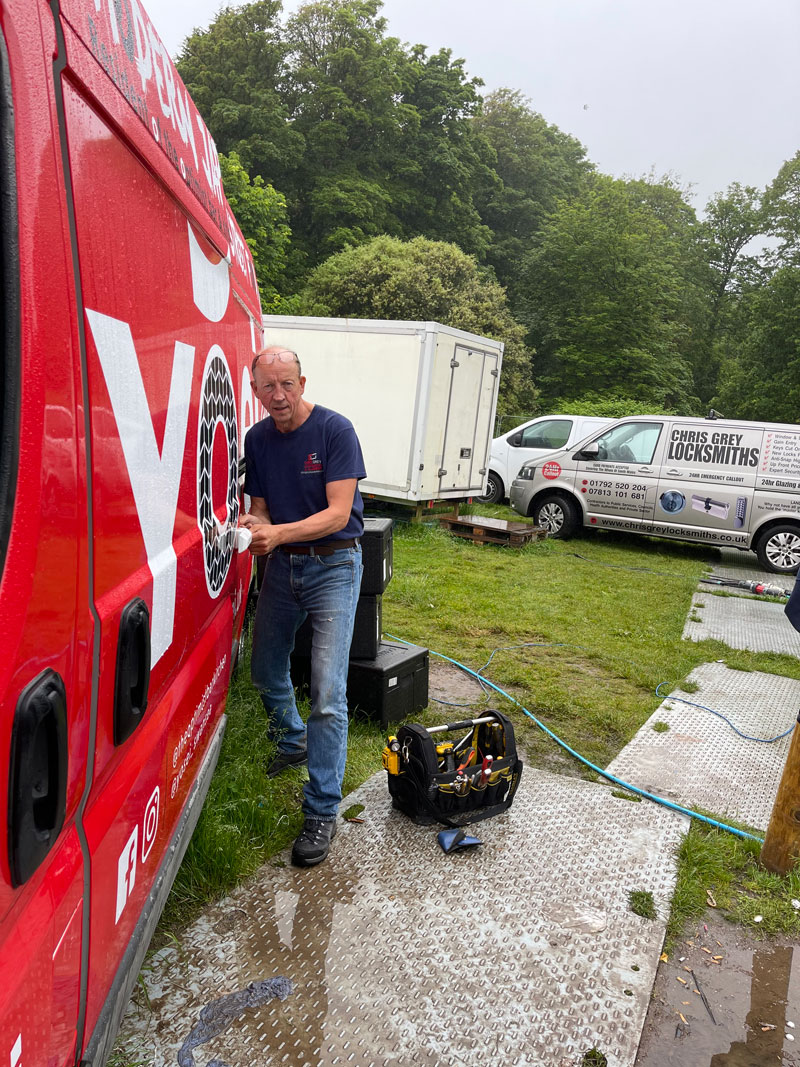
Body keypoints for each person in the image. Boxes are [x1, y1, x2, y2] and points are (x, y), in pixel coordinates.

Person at [240, 345, 365, 867]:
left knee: (328, 692)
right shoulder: (257, 439)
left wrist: (279, 532)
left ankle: (321, 810)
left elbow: (338, 514)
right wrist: (252, 523)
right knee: (266, 667)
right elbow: (261, 506)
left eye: (287, 384)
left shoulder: (336, 431)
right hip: (283, 568)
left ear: (303, 382)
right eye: (268, 387)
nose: (279, 396)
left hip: (335, 565)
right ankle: (293, 740)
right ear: (255, 392)